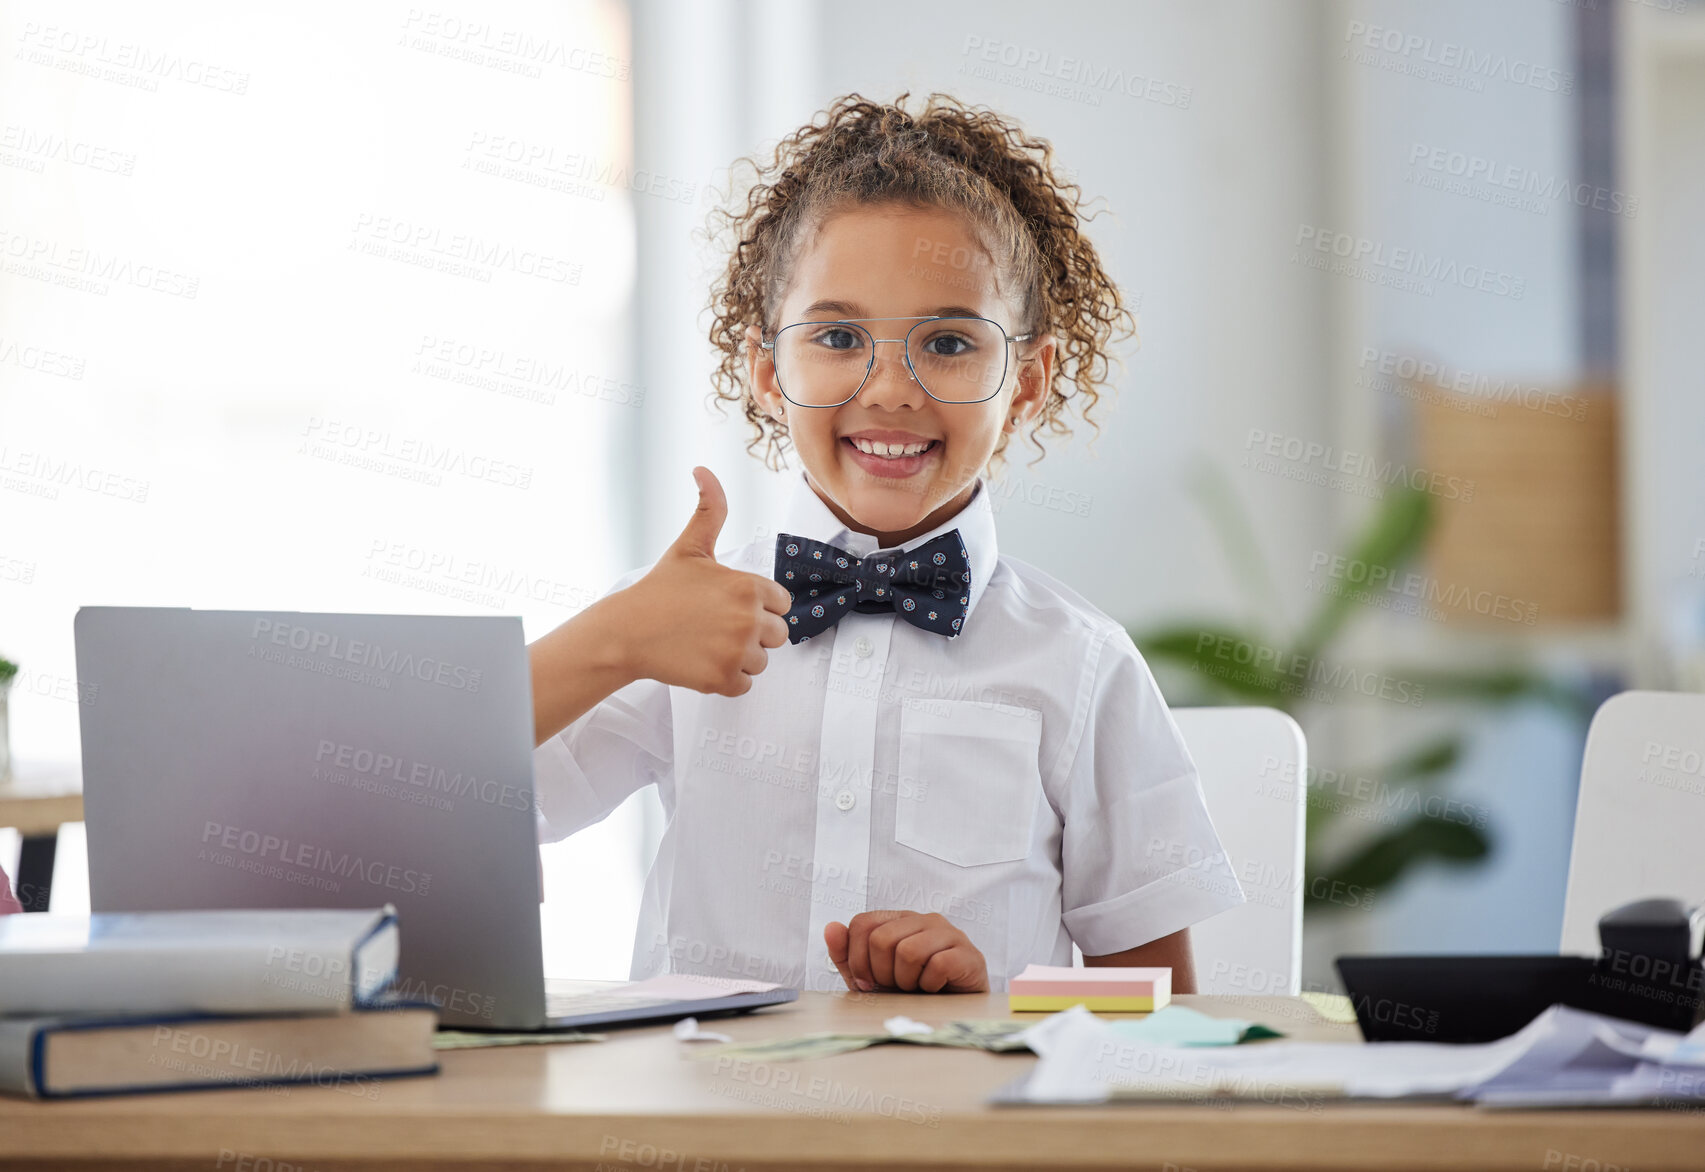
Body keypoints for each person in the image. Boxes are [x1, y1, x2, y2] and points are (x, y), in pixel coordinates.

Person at [528, 93, 1243, 995]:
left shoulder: (1083, 665)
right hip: (701, 1122)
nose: (891, 390)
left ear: (1026, 380)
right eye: (837, 336)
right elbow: (431, 797)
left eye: (946, 342)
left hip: (963, 1132)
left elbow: (1156, 1011)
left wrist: (997, 1000)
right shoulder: (666, 624)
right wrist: (611, 640)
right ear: (764, 368)